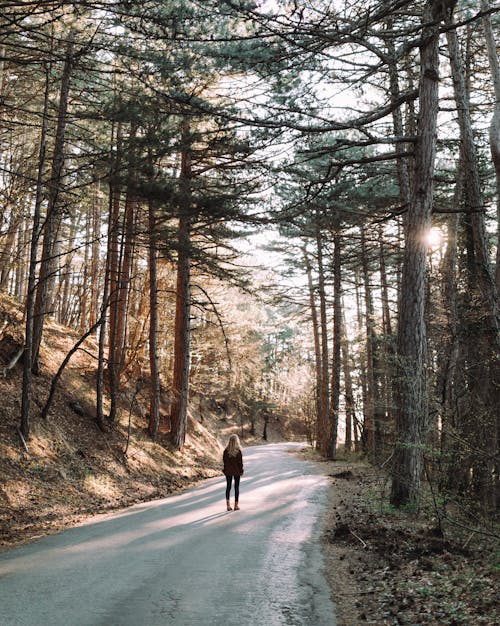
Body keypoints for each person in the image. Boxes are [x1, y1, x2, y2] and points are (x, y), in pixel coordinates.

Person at [223, 434, 244, 511]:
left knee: (228, 487)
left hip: (228, 472)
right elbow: (240, 463)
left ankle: (228, 506)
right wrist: (241, 471)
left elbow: (225, 462)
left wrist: (225, 470)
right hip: (236, 472)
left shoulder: (225, 451)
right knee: (236, 488)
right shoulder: (238, 452)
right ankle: (236, 506)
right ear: (236, 441)